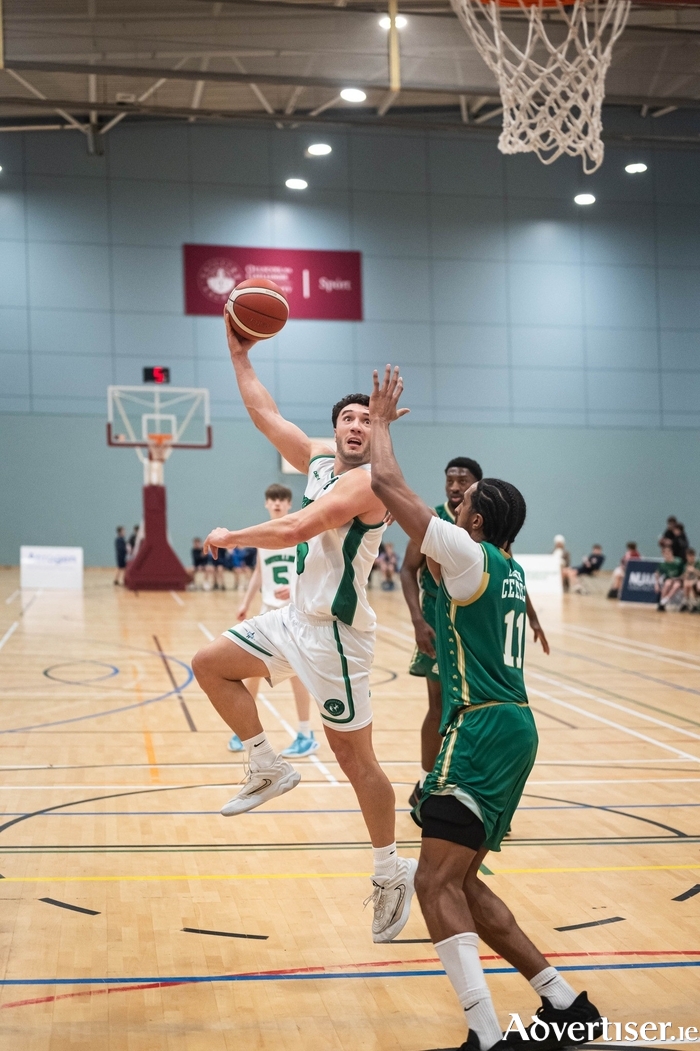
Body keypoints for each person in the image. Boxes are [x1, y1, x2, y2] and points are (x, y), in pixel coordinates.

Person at [369, 365, 601, 1051]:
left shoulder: (467, 558)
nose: (453, 506)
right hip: (516, 727)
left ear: (476, 520)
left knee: (433, 879)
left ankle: (486, 1034)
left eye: (463, 502)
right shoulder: (508, 567)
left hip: (479, 726)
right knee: (461, 880)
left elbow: (388, 487)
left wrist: (378, 423)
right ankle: (565, 1002)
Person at [191, 311, 417, 944]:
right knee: (209, 664)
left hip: (339, 639)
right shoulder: (317, 457)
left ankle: (389, 869)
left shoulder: (374, 484)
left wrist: (232, 536)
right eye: (347, 419)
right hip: (294, 620)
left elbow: (294, 530)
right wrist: (239, 355)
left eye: (366, 420)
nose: (354, 426)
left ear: (379, 434)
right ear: (335, 430)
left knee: (354, 758)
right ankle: (267, 765)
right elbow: (267, 416)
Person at [401, 458, 483, 802]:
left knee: (475, 709)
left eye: (462, 480)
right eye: (450, 479)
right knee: (439, 705)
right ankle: (424, 784)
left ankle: (468, 789)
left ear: (477, 484)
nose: (454, 486)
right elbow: (406, 570)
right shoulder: (431, 520)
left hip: (476, 626)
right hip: (437, 623)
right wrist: (419, 621)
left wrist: (532, 616)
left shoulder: (486, 522)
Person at [227, 483, 318, 758]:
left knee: (295, 675)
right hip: (267, 610)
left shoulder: (298, 532)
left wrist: (295, 588)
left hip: (293, 611)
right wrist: (245, 602)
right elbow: (258, 571)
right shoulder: (263, 535)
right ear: (267, 504)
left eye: (281, 500)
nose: (277, 503)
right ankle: (245, 730)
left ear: (289, 504)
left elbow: (312, 568)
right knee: (252, 670)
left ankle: (306, 733)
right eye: (272, 500)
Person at [655, 540, 684, 611]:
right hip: (669, 580)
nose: (667, 555)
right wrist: (656, 584)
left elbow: (684, 573)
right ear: (663, 554)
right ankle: (662, 603)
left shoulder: (678, 561)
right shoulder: (663, 564)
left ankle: (665, 600)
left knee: (676, 585)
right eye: (665, 553)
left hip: (678, 580)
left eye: (668, 553)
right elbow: (657, 574)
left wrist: (677, 578)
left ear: (671, 552)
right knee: (667, 583)